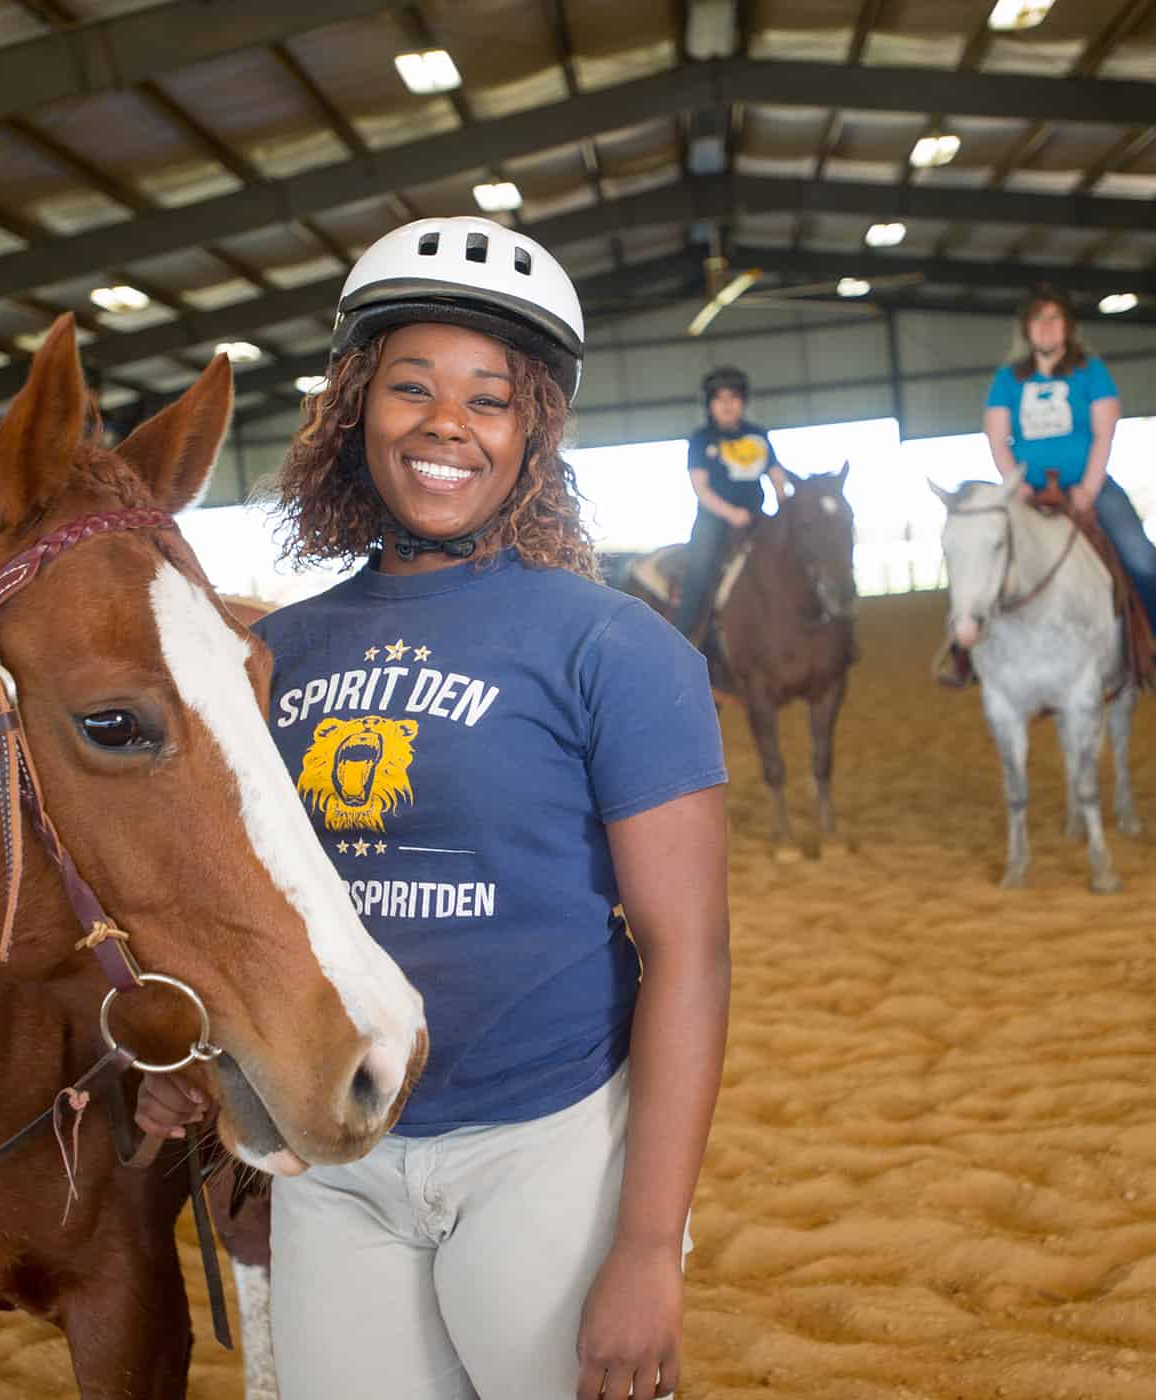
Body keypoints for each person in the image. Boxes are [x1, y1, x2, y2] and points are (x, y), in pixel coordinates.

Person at [137, 215, 732, 1400]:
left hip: (545, 1138)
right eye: (411, 387)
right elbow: (239, 900)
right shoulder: (271, 655)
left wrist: (643, 1245)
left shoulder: (615, 648)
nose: (446, 422)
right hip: (340, 1160)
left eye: (489, 398)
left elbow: (691, 957)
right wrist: (195, 1058)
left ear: (532, 434)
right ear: (355, 408)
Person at [935, 283, 1156, 695]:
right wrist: (1015, 488)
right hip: (1025, 490)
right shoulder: (1007, 379)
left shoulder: (1091, 371)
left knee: (1140, 556)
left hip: (1088, 486)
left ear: (1067, 327)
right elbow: (997, 438)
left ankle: (1150, 650)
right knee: (981, 551)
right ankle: (962, 650)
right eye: (1039, 320)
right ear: (1027, 330)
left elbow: (1105, 433)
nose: (1047, 327)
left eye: (1055, 319)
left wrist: (1088, 488)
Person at [671, 366, 792, 647]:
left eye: (733, 397)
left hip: (756, 516)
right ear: (710, 404)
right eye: (719, 398)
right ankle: (685, 638)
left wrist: (785, 502)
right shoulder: (701, 439)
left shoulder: (758, 435)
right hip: (714, 519)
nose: (726, 404)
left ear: (743, 402)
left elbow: (776, 476)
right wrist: (731, 513)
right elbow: (701, 489)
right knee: (699, 570)